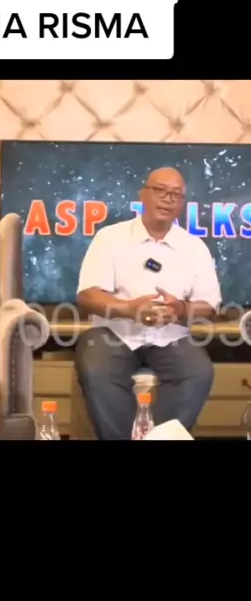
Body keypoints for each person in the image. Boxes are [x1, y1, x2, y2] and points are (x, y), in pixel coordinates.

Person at [75, 168, 222, 440]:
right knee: (96, 369)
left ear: (182, 204)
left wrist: (181, 310)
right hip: (114, 332)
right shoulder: (110, 237)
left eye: (175, 194)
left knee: (198, 373)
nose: (167, 199)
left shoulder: (195, 247)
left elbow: (210, 306)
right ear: (143, 194)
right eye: (160, 190)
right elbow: (88, 295)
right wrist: (130, 310)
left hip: (171, 336)